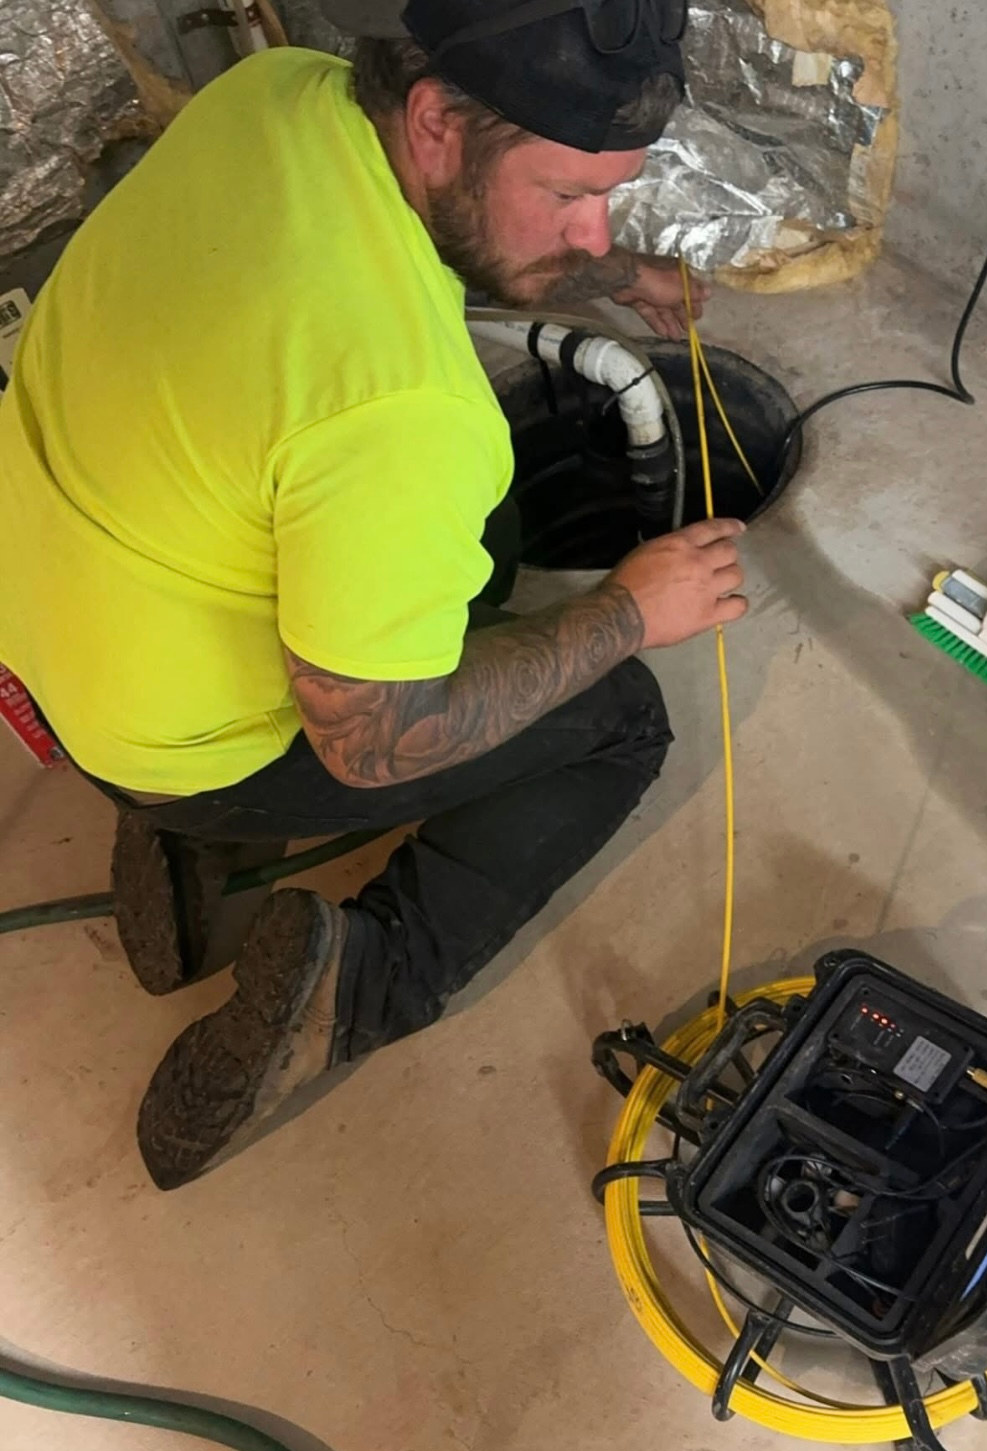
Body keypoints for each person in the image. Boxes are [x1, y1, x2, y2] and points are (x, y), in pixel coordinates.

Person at [0, 0, 748, 1190]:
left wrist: (614, 266)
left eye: (611, 194)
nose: (591, 224)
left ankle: (193, 851)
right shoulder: (402, 414)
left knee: (466, 515)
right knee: (619, 721)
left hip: (52, 627)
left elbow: (418, 293)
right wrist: (628, 613)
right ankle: (357, 979)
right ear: (438, 120)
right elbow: (372, 740)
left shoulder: (281, 94)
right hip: (182, 740)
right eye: (568, 197)